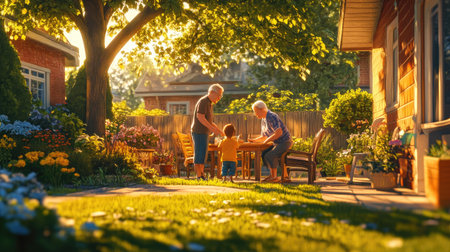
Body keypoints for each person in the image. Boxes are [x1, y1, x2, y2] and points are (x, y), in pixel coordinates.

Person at [248, 100, 292, 182]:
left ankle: (274, 177)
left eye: (256, 111)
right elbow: (264, 136)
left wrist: (266, 141)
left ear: (261, 109)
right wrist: (253, 141)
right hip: (278, 143)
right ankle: (274, 175)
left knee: (270, 155)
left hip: (285, 142)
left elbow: (279, 132)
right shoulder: (263, 119)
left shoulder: (271, 116)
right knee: (264, 153)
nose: (255, 114)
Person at [191, 83, 224, 180]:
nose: (219, 98)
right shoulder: (203, 101)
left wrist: (218, 130)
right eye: (219, 95)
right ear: (212, 92)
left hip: (204, 132)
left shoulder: (209, 104)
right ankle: (199, 176)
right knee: (199, 154)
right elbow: (200, 117)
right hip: (198, 132)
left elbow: (209, 120)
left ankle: (202, 175)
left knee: (203, 155)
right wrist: (212, 128)